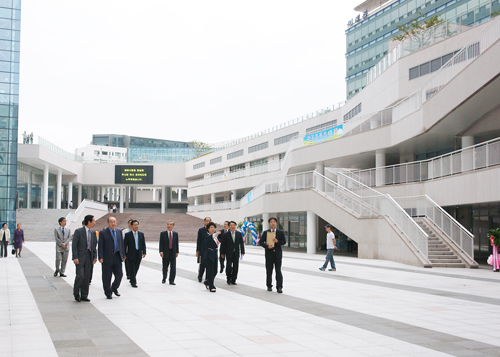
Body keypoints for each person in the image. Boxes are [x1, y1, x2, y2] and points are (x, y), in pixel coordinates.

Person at [72, 215, 97, 302]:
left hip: (89, 257)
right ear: (89, 222)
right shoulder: (78, 231)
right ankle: (76, 293)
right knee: (80, 275)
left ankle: (84, 295)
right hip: (80, 257)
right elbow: (74, 245)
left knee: (87, 276)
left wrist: (95, 256)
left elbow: (94, 246)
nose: (95, 222)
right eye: (93, 221)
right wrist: (75, 257)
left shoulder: (93, 233)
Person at [98, 217, 125, 299]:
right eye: (111, 222)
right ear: (108, 223)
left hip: (117, 256)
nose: (113, 223)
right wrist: (100, 256)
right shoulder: (103, 233)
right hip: (107, 257)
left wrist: (123, 255)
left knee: (119, 275)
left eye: (114, 222)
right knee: (107, 276)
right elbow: (100, 246)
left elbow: (121, 244)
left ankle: (114, 287)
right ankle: (108, 292)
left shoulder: (119, 231)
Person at [259, 217, 286, 293]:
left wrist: (277, 241)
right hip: (269, 254)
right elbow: (261, 242)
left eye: (274, 222)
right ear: (269, 223)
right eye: (271, 222)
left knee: (278, 271)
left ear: (276, 223)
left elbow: (284, 242)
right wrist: (267, 246)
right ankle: (269, 285)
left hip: (277, 254)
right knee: (269, 271)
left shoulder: (280, 232)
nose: (273, 223)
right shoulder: (266, 232)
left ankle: (279, 287)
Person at [221, 221, 245, 285]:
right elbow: (223, 244)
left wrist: (242, 252)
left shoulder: (239, 234)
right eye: (231, 225)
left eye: (233, 225)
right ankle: (228, 278)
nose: (232, 226)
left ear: (235, 226)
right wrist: (222, 253)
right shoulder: (226, 234)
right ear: (229, 226)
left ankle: (234, 279)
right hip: (228, 253)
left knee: (235, 266)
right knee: (228, 266)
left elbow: (241, 243)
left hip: (236, 253)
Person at [124, 220, 146, 288]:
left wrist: (144, 252)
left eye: (137, 225)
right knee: (131, 268)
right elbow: (125, 245)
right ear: (131, 226)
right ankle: (133, 282)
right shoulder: (127, 235)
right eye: (134, 225)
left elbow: (143, 244)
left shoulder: (141, 234)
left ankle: (132, 278)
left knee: (136, 267)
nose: (136, 226)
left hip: (138, 253)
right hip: (130, 254)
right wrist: (124, 254)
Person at [159, 220, 179, 285]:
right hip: (165, 253)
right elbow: (161, 243)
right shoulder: (163, 233)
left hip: (173, 253)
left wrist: (177, 252)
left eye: (170, 224)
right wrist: (161, 251)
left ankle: (171, 280)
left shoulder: (175, 234)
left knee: (173, 267)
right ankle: (164, 278)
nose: (169, 226)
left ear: (173, 226)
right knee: (165, 266)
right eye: (168, 224)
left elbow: (176, 243)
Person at [203, 222, 221, 292]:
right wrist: (214, 235)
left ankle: (207, 281)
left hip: (215, 254)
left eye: (214, 228)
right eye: (211, 227)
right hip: (208, 254)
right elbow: (208, 239)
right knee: (210, 271)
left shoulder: (215, 237)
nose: (213, 229)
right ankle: (211, 286)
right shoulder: (207, 236)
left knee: (215, 270)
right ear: (208, 229)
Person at [196, 217, 211, 282]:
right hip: (203, 250)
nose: (208, 222)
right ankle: (200, 276)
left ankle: (207, 278)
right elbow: (198, 240)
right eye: (207, 221)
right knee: (202, 264)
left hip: (210, 250)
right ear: (204, 222)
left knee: (209, 265)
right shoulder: (201, 230)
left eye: (209, 221)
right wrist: (198, 250)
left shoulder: (212, 230)